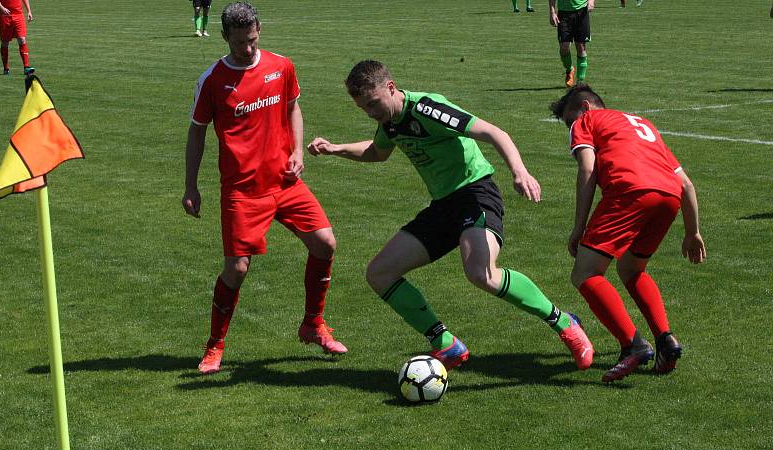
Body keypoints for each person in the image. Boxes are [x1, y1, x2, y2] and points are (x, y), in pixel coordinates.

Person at [307, 60, 593, 372]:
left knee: (481, 272)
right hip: (444, 206)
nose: (371, 113)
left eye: (373, 103)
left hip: (476, 195)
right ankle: (445, 343)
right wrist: (336, 149)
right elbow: (377, 152)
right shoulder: (389, 121)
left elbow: (493, 132)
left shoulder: (428, 109)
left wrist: (519, 171)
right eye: (364, 108)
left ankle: (564, 322)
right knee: (379, 273)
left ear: (390, 87)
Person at [184, 1, 347, 375]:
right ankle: (215, 346)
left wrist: (295, 150)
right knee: (237, 269)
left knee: (325, 243)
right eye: (240, 42)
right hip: (242, 191)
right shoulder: (212, 80)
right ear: (225, 37)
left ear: (259, 29)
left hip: (285, 181)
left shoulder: (281, 66)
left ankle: (313, 325)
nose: (248, 48)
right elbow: (196, 131)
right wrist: (190, 186)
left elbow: (293, 107)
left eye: (253, 39)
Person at [549, 85, 706, 383]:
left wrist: (578, 227)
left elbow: (587, 170)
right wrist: (692, 231)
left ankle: (632, 345)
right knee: (632, 268)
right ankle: (666, 341)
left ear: (585, 107)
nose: (571, 128)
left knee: (585, 274)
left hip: (629, 191)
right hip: (668, 197)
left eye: (569, 120)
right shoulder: (642, 124)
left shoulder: (586, 121)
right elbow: (685, 183)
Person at [549, 0, 594, 87]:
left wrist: (591, 1)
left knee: (581, 47)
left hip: (581, 12)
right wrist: (552, 12)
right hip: (564, 14)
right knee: (564, 47)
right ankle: (569, 69)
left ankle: (580, 82)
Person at [0, 0, 34, 75]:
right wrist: (2, 8)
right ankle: (6, 68)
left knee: (22, 39)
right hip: (5, 16)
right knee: (5, 42)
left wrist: (29, 11)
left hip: (19, 16)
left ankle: (26, 67)